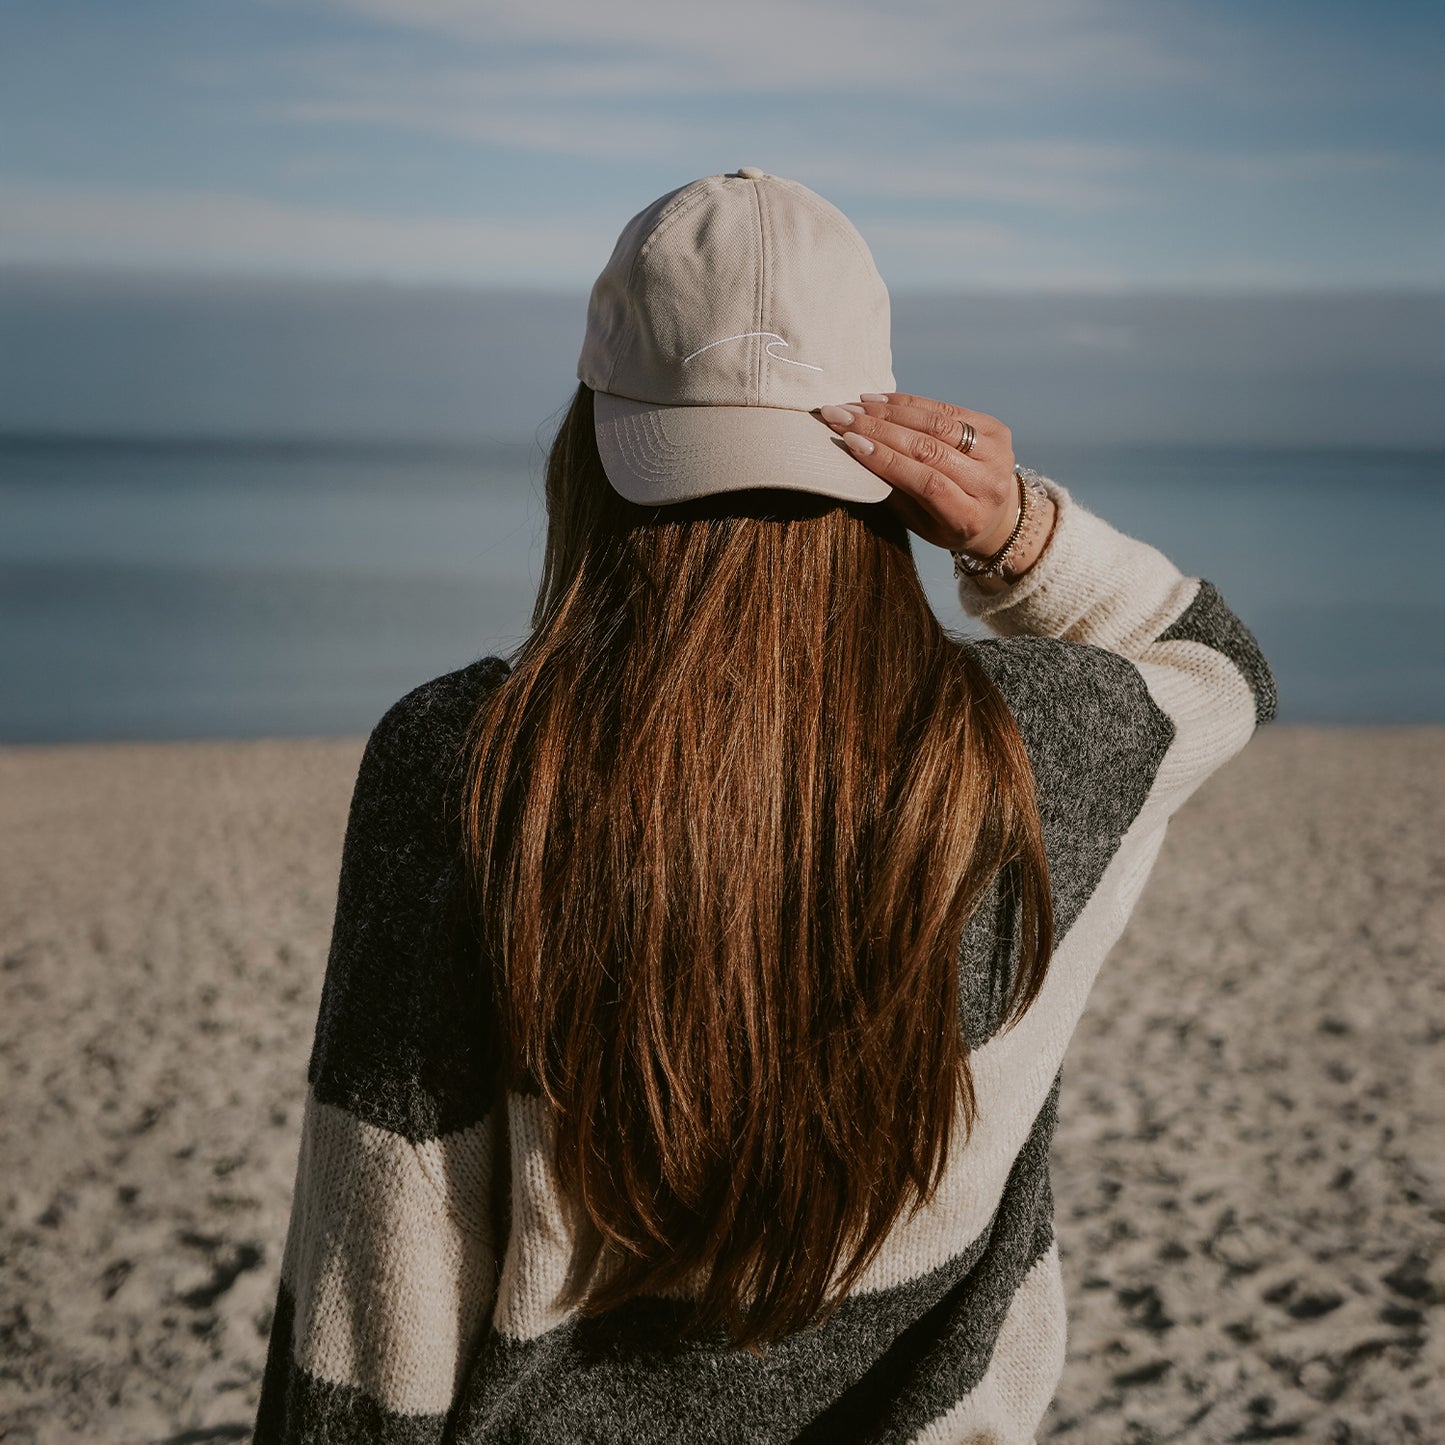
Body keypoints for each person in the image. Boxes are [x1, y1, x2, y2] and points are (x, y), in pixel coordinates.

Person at [253, 168, 1275, 1444]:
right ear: (882, 445)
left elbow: (377, 1278)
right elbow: (1219, 665)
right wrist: (1017, 535)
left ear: (592, 441)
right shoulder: (1036, 750)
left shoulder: (465, 763)